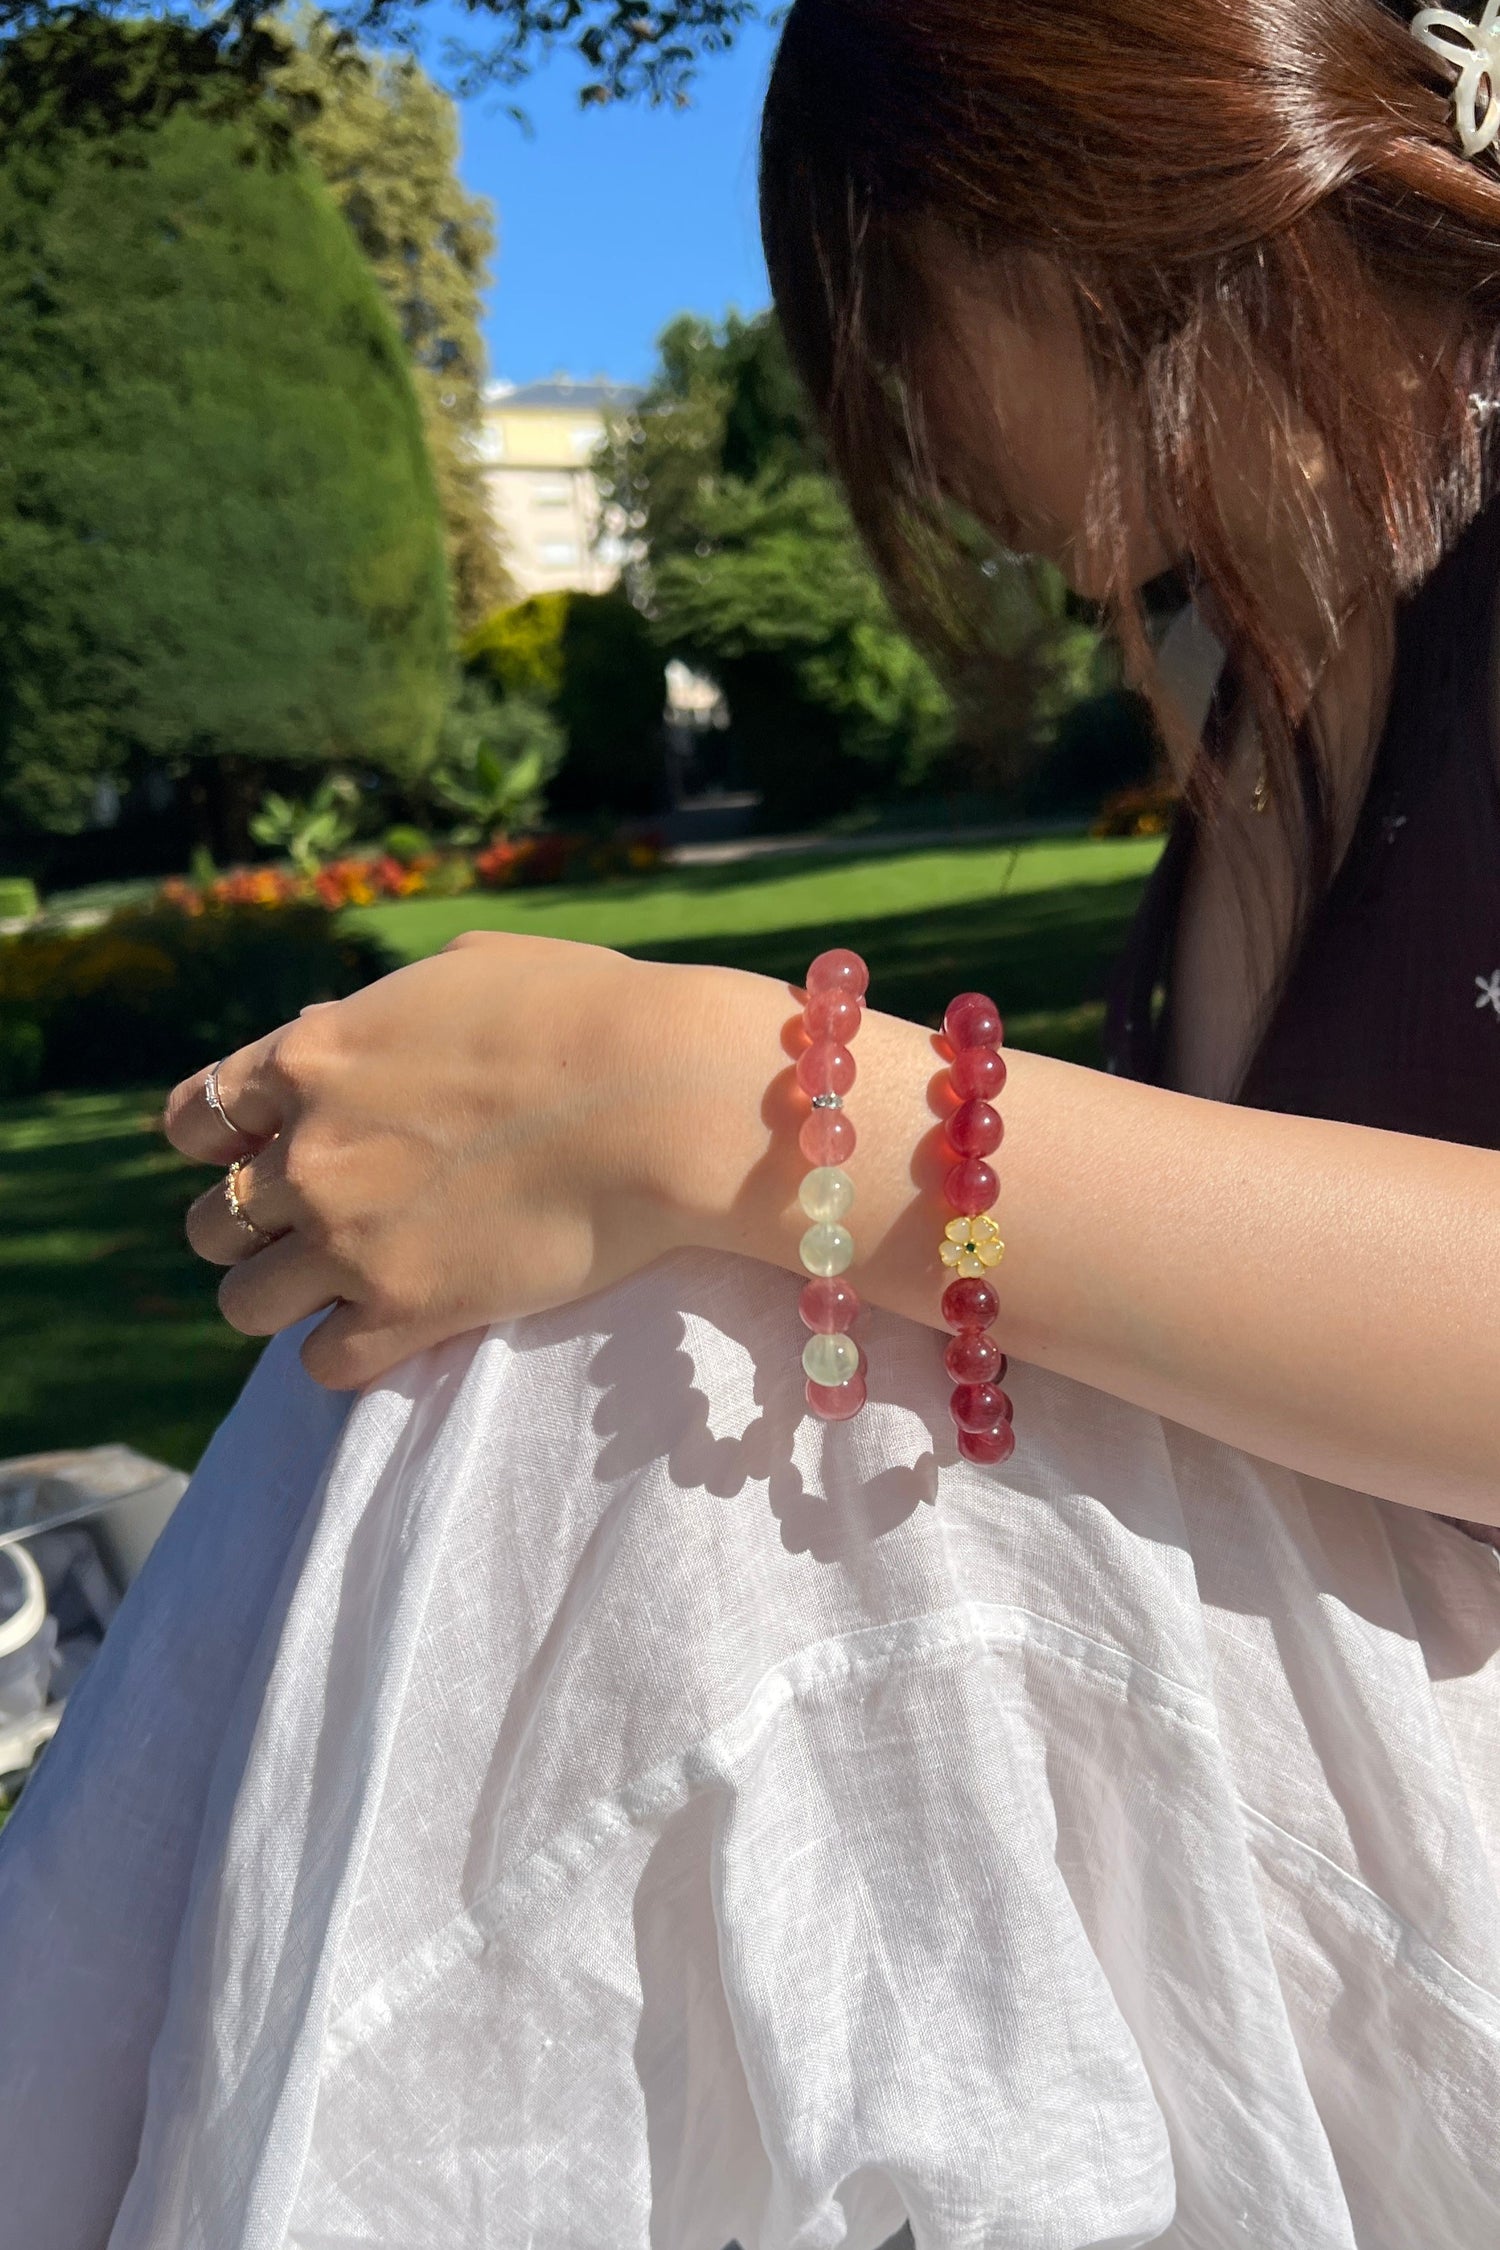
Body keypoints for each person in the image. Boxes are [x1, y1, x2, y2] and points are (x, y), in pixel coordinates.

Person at [3, 2, 1499, 2244]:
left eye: (894, 295)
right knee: (621, 1350)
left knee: (646, 1361)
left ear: (1083, 184)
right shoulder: (1277, 695)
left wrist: (738, 1109)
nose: (894, 414)